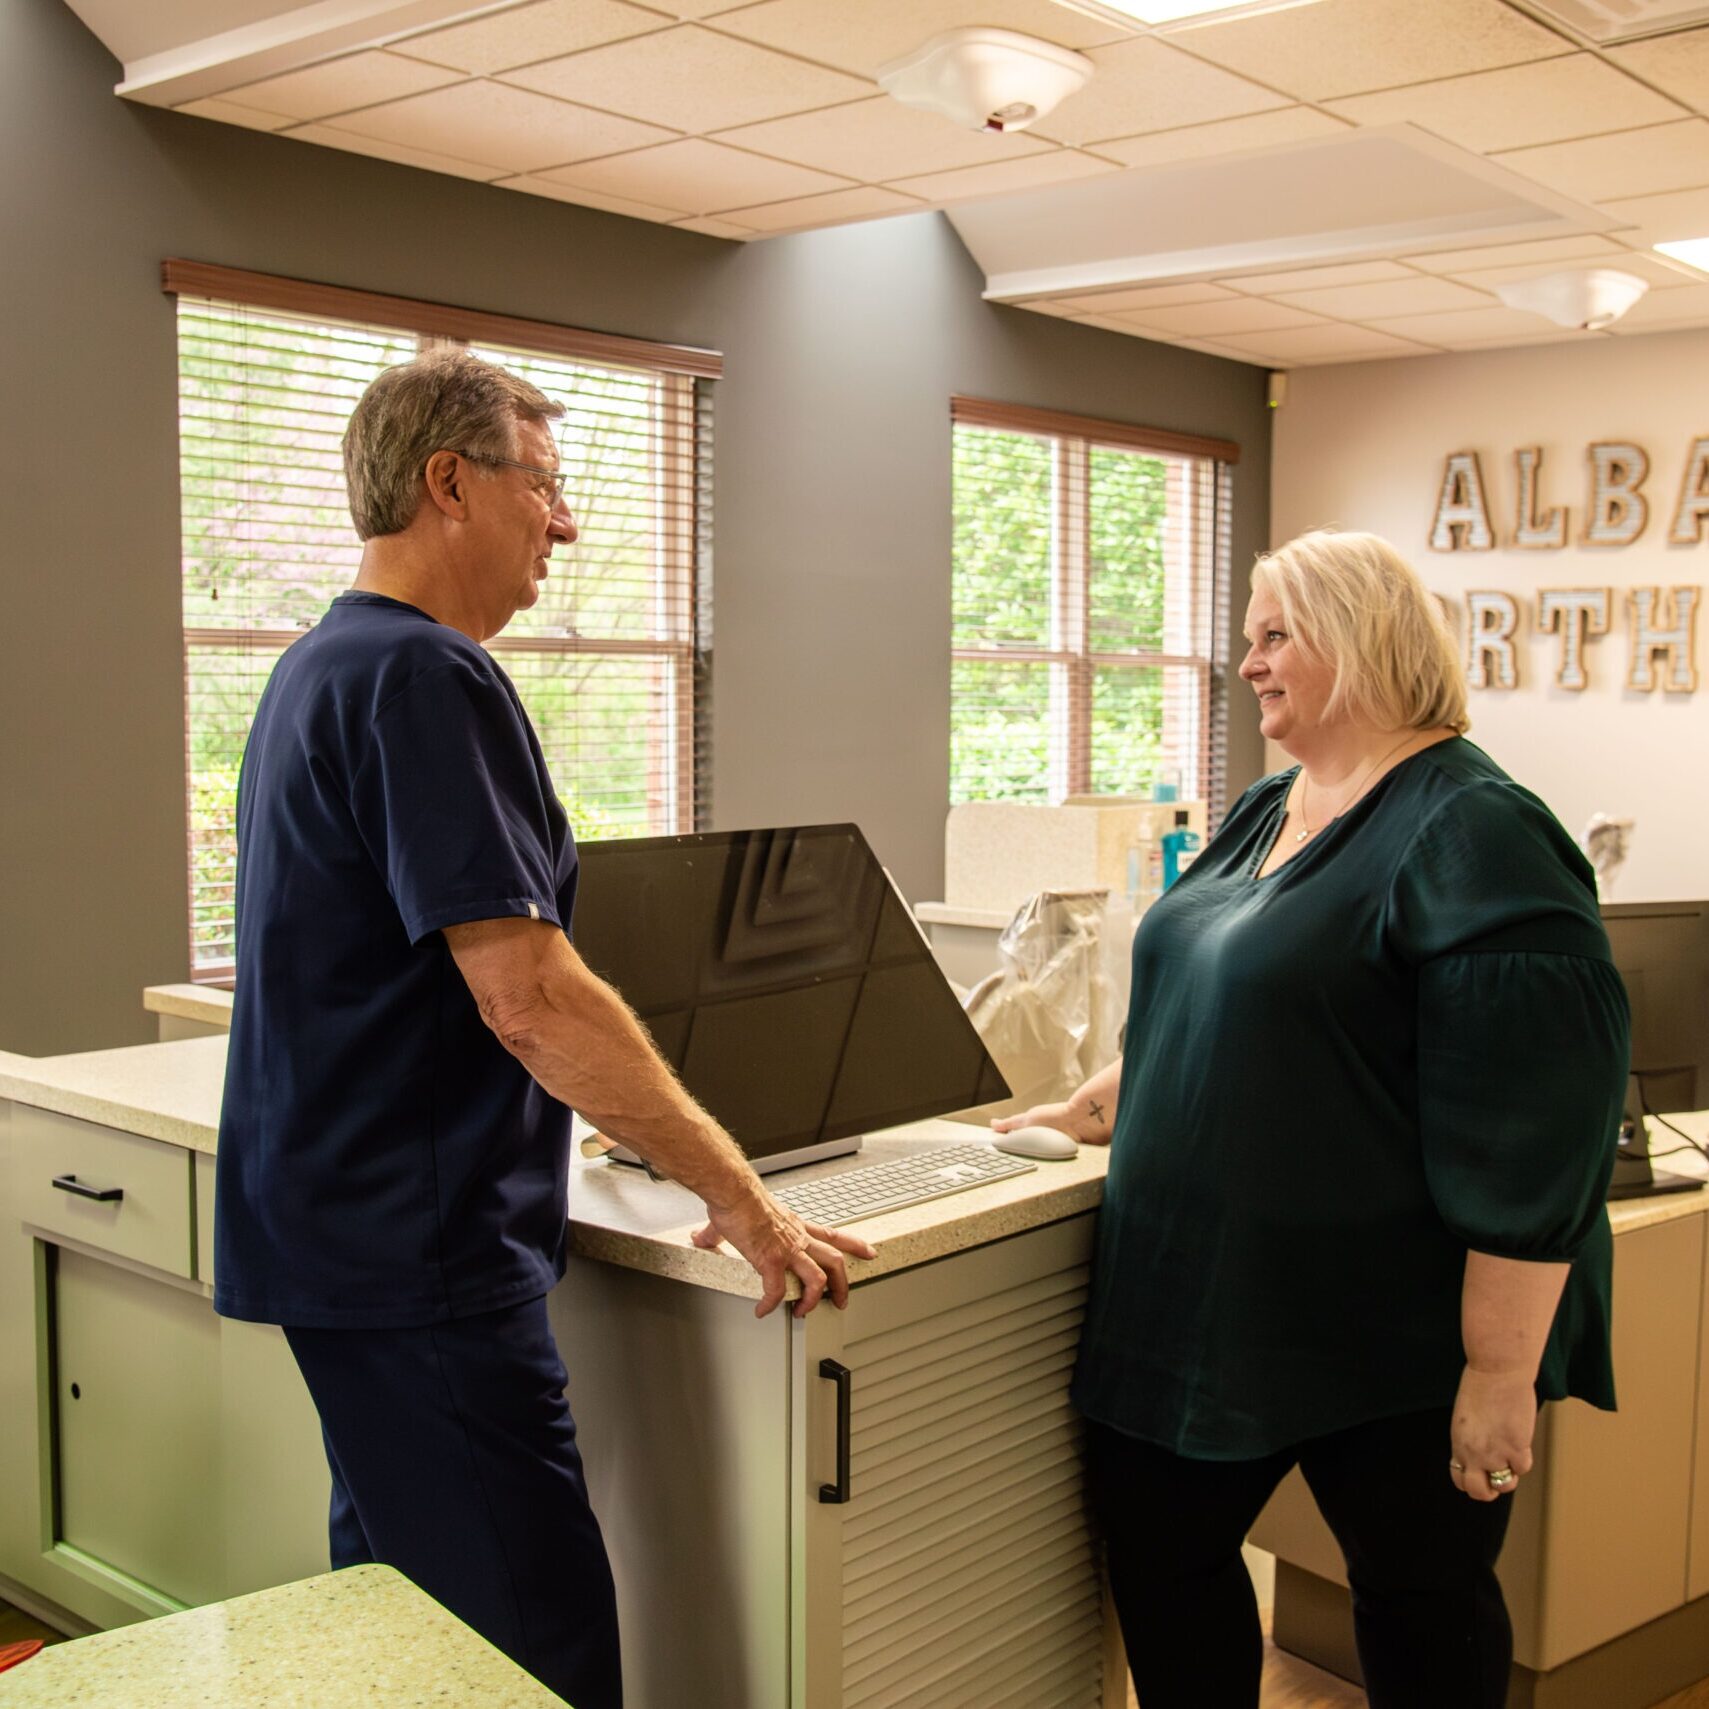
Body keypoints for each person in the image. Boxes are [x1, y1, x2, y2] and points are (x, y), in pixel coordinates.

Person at [213, 350, 874, 1709]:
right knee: (530, 1642)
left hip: (341, 1241)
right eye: (547, 486)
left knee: (403, 1622)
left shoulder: (314, 670)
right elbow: (528, 992)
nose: (563, 524)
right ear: (450, 484)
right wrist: (742, 1197)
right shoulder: (423, 679)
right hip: (423, 1256)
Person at [995, 529, 1627, 1709]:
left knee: (1418, 1599)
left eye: (1273, 634)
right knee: (1164, 1559)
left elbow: (1536, 1126)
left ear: (1358, 640)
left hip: (1386, 1321)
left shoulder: (1474, 829)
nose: (1247, 663)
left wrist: (1498, 1369)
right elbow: (1215, 980)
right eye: (1248, 637)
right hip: (1198, 1300)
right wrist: (1108, 1096)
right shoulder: (1269, 804)